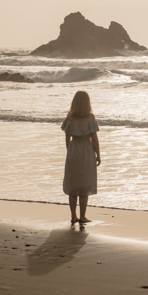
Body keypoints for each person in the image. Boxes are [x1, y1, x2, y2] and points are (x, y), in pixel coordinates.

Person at [61, 90, 101, 224]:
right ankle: (82, 216)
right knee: (84, 186)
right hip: (86, 151)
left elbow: (67, 137)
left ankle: (73, 216)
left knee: (73, 186)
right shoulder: (90, 118)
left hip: (73, 150)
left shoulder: (69, 118)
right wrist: (98, 154)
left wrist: (69, 150)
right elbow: (94, 139)